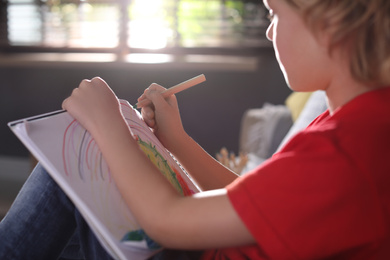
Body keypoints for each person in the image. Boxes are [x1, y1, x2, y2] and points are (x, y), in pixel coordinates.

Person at [1, 0, 390, 259]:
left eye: (274, 13)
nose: (270, 32)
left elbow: (167, 221)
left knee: (83, 164)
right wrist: (177, 141)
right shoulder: (357, 122)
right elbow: (250, 201)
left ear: (332, 27)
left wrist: (108, 124)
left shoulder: (345, 154)